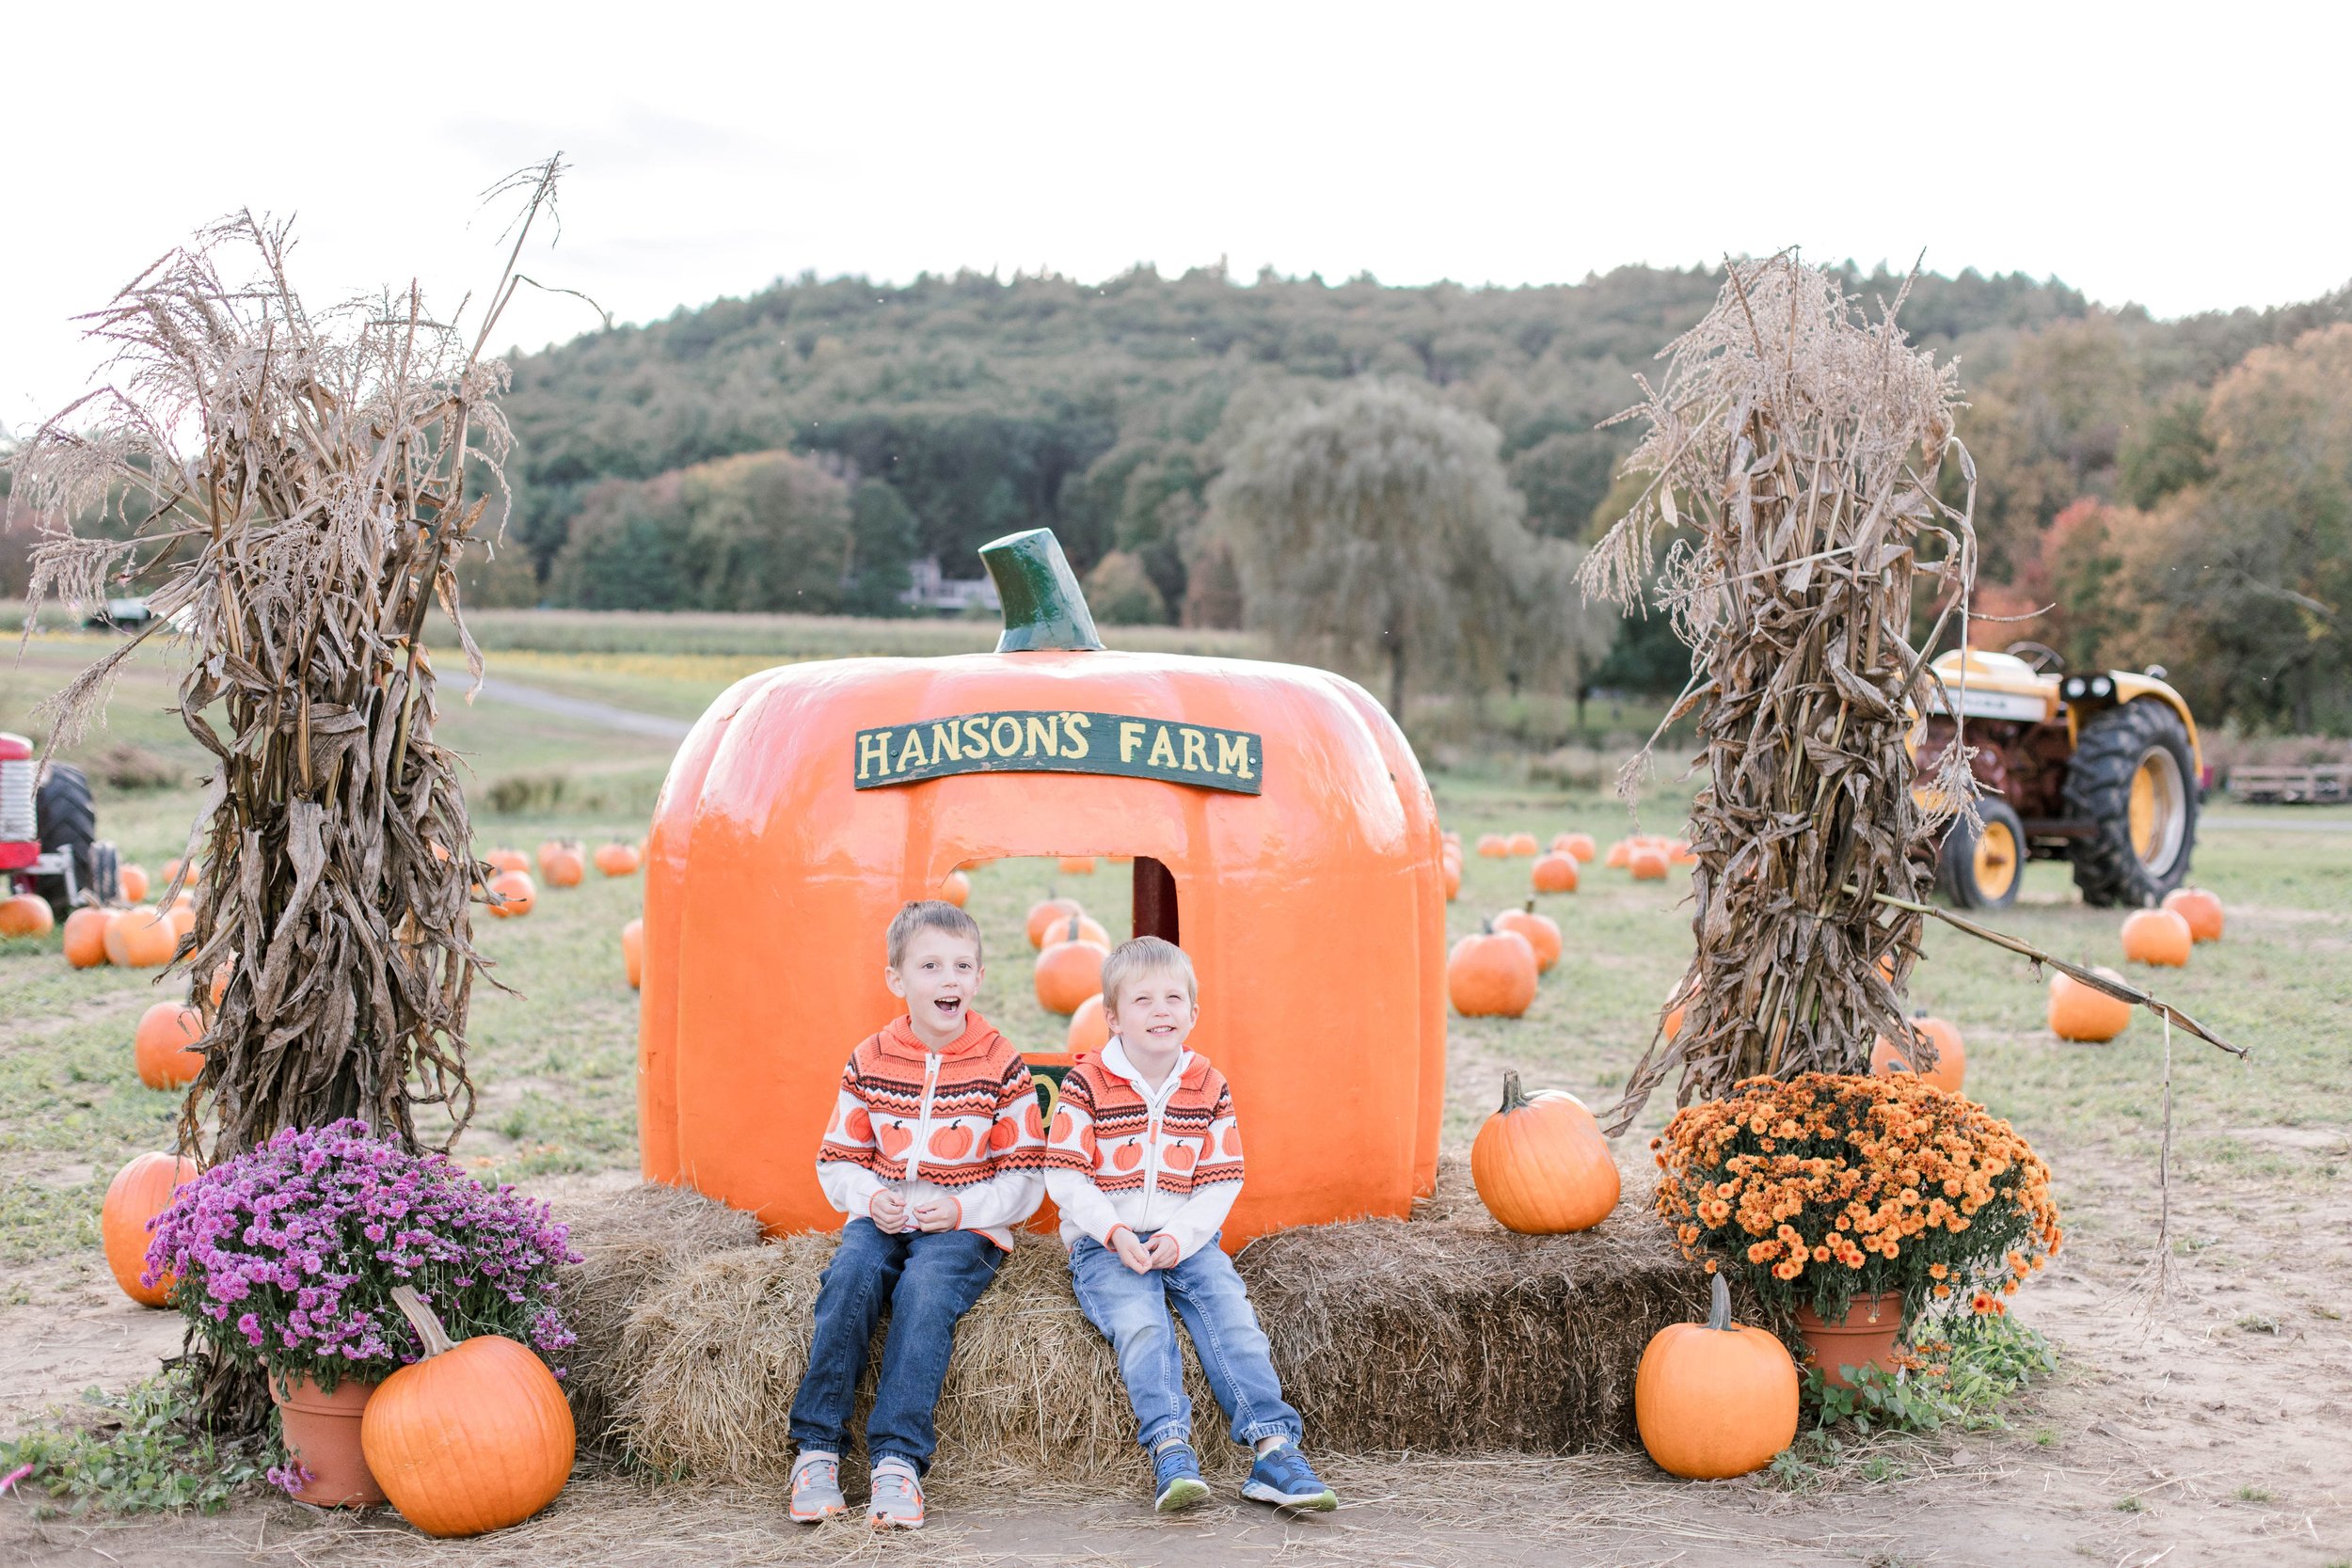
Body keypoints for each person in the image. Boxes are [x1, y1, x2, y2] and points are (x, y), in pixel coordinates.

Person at [1041, 935, 1338, 1513]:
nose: (1161, 1011)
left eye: (1173, 998)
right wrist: (1114, 1232)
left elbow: (1222, 1178)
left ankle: (1273, 1449)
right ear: (1112, 1017)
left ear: (1193, 1013)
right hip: (1108, 1243)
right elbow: (1066, 1175)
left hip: (1188, 1240)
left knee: (1232, 1317)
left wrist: (1180, 1238)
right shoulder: (1087, 1084)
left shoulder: (1208, 1086)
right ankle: (1169, 1445)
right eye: (1143, 1000)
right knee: (1142, 1323)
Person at [787, 900, 1046, 1529]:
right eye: (930, 965)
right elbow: (837, 1159)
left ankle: (898, 1459)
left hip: (965, 1223)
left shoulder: (999, 1065)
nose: (948, 978)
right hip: (883, 1213)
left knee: (925, 1290)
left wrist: (959, 1205)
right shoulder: (870, 1058)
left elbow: (1026, 1178)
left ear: (979, 977)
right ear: (897, 979)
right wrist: (867, 1196)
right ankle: (816, 1447)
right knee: (850, 1277)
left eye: (962, 965)